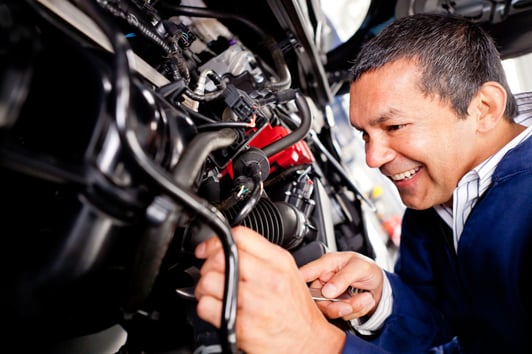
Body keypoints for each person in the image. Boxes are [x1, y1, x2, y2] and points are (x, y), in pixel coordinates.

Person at [193, 13, 532, 353]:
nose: (373, 158)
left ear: (485, 108)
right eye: (365, 134)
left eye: (394, 127)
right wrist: (384, 298)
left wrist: (317, 343)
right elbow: (455, 325)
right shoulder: (437, 190)